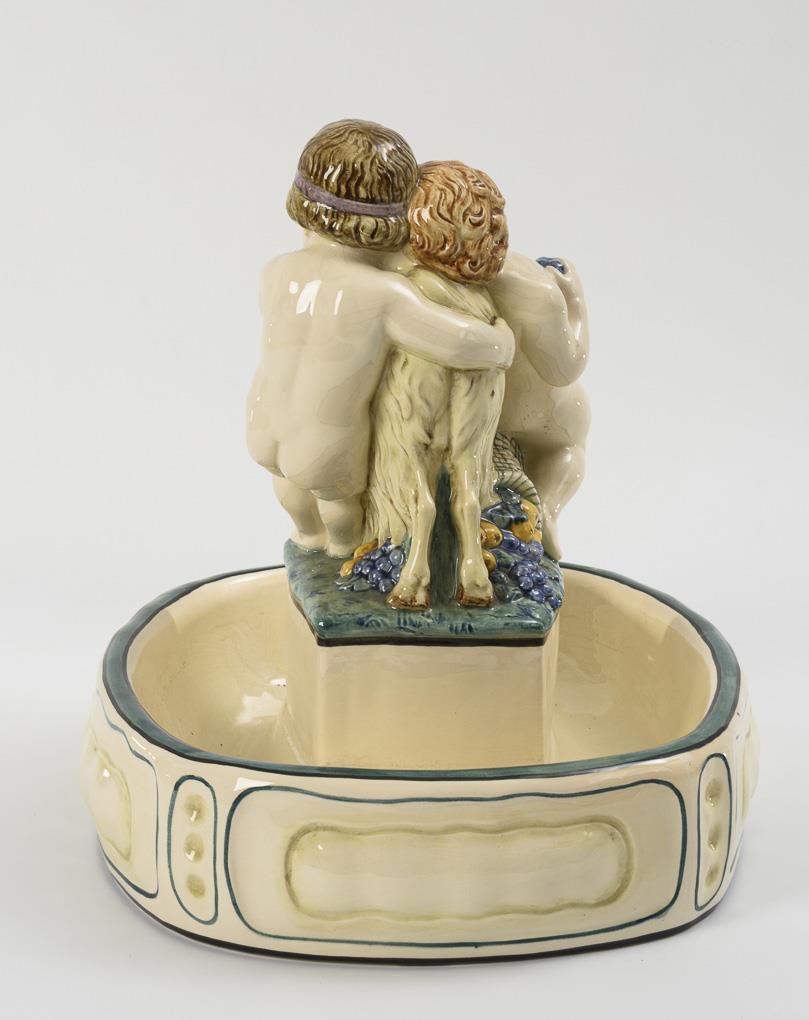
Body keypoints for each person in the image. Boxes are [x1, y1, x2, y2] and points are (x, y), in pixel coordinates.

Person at [246, 120, 514, 558]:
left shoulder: (275, 271)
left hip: (263, 422)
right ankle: (341, 554)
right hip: (324, 443)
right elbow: (460, 344)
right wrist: (502, 340)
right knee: (339, 514)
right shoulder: (381, 294)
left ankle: (306, 539)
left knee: (293, 499)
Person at [365, 161, 509, 608]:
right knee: (469, 463)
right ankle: (475, 572)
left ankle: (413, 575)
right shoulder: (485, 303)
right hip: (483, 359)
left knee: (411, 450)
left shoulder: (407, 291)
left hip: (417, 366)